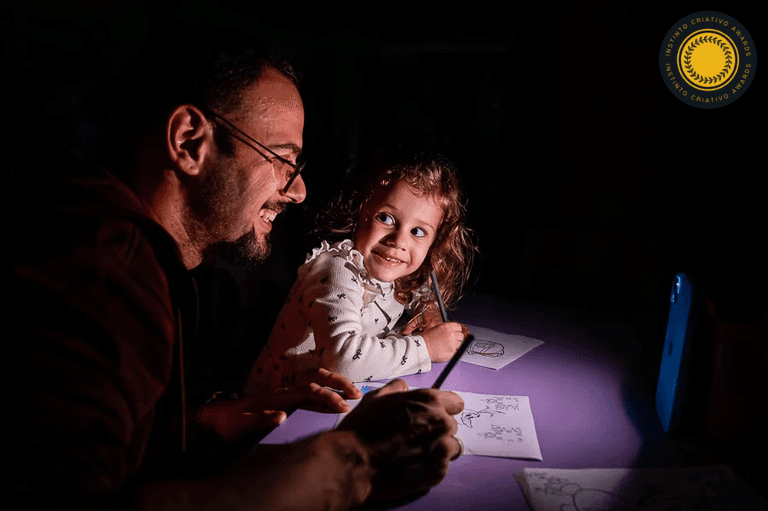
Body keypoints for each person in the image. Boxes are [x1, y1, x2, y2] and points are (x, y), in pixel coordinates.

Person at [11, 32, 465, 510]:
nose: (298, 190)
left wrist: (207, 420)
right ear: (189, 141)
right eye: (283, 159)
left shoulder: (132, 251)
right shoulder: (101, 276)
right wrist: (354, 462)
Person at [245, 152, 475, 391]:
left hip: (325, 398)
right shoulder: (337, 270)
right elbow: (342, 359)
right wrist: (426, 348)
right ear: (360, 212)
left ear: (434, 243)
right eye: (386, 218)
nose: (398, 241)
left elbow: (421, 296)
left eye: (418, 232)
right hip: (277, 406)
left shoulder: (398, 270)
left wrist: (430, 314)